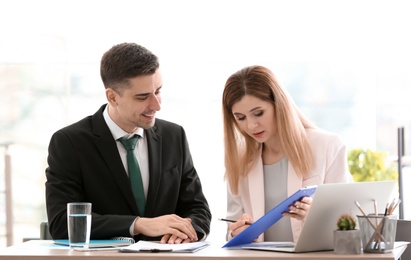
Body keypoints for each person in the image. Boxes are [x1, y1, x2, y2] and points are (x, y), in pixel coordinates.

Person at [45, 42, 211, 244]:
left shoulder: (173, 135)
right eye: (143, 97)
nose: (157, 105)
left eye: (158, 91)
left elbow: (198, 209)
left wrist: (186, 232)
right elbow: (62, 223)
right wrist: (138, 224)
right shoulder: (69, 142)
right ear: (112, 97)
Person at [221, 65, 353, 243]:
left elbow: (349, 224)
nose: (251, 126)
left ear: (279, 104)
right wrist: (237, 232)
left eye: (258, 113)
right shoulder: (240, 160)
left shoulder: (327, 146)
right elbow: (232, 225)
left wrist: (315, 216)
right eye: (240, 118)